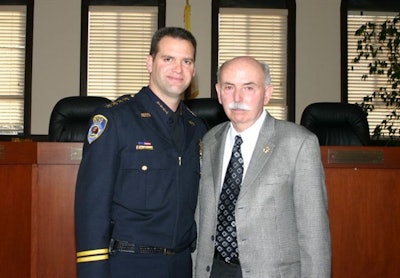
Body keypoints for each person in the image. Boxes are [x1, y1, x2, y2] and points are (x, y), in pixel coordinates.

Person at [74, 27, 207, 278]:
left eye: (186, 61)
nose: (178, 69)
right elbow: (92, 208)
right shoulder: (115, 120)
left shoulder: (197, 128)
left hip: (182, 265)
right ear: (150, 63)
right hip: (130, 264)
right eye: (168, 59)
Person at [194, 56, 331, 278]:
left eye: (249, 87)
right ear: (218, 92)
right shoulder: (209, 141)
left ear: (267, 92)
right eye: (229, 87)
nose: (237, 97)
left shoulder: (298, 143)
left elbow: (314, 234)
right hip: (214, 271)